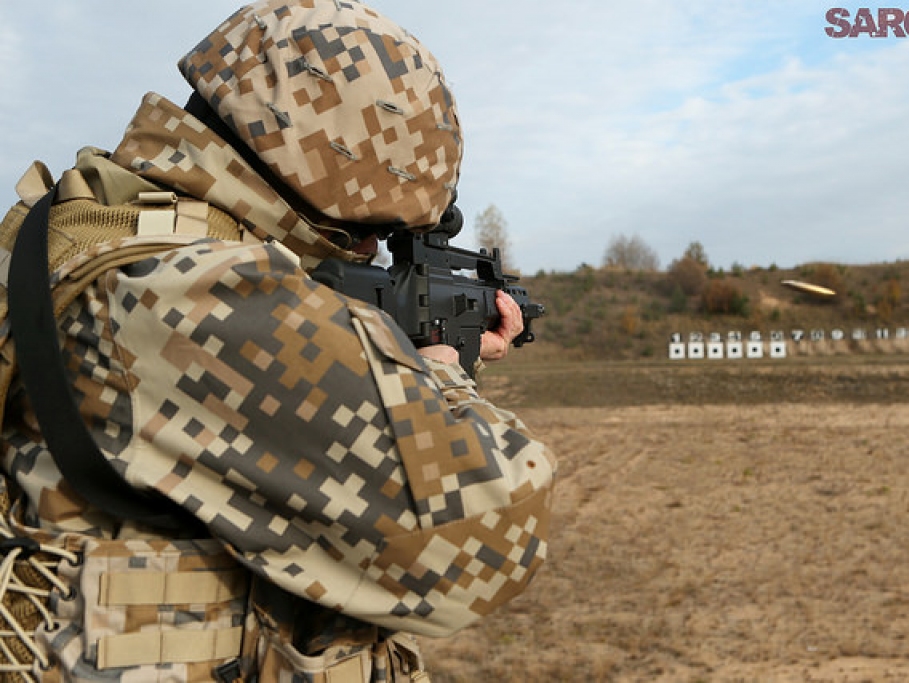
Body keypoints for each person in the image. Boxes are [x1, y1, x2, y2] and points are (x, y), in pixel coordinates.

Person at [0, 1, 556, 681]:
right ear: (321, 165)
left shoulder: (84, 225)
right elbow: (491, 531)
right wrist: (442, 374)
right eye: (366, 230)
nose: (373, 250)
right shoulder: (194, 292)